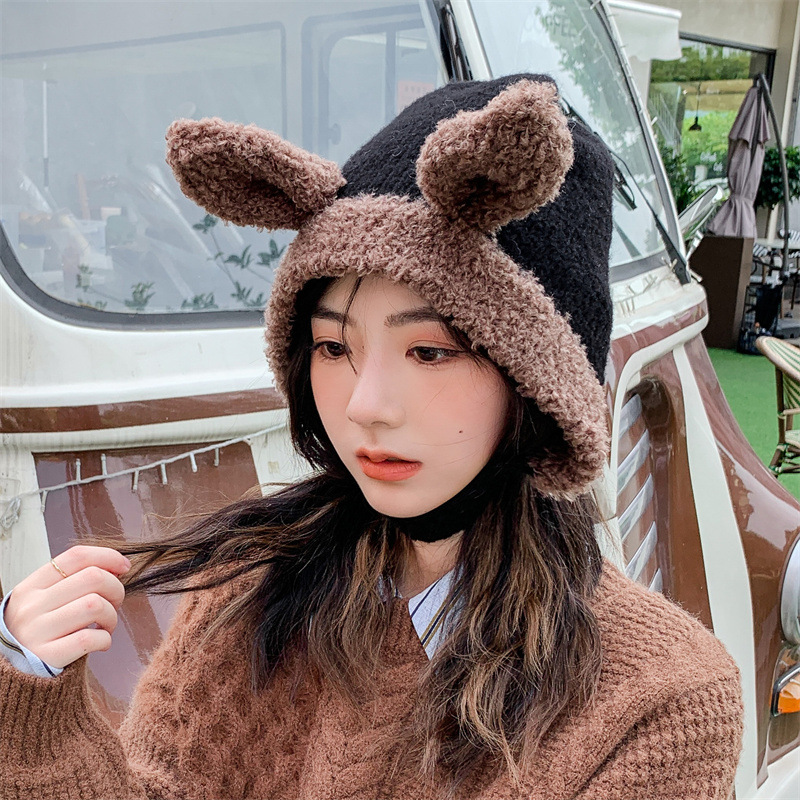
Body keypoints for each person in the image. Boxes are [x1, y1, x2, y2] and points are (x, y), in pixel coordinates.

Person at [0, 75, 743, 799]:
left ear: (537, 380)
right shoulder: (250, 587)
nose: (365, 405)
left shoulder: (662, 698)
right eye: (333, 347)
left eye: (430, 352)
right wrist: (30, 696)